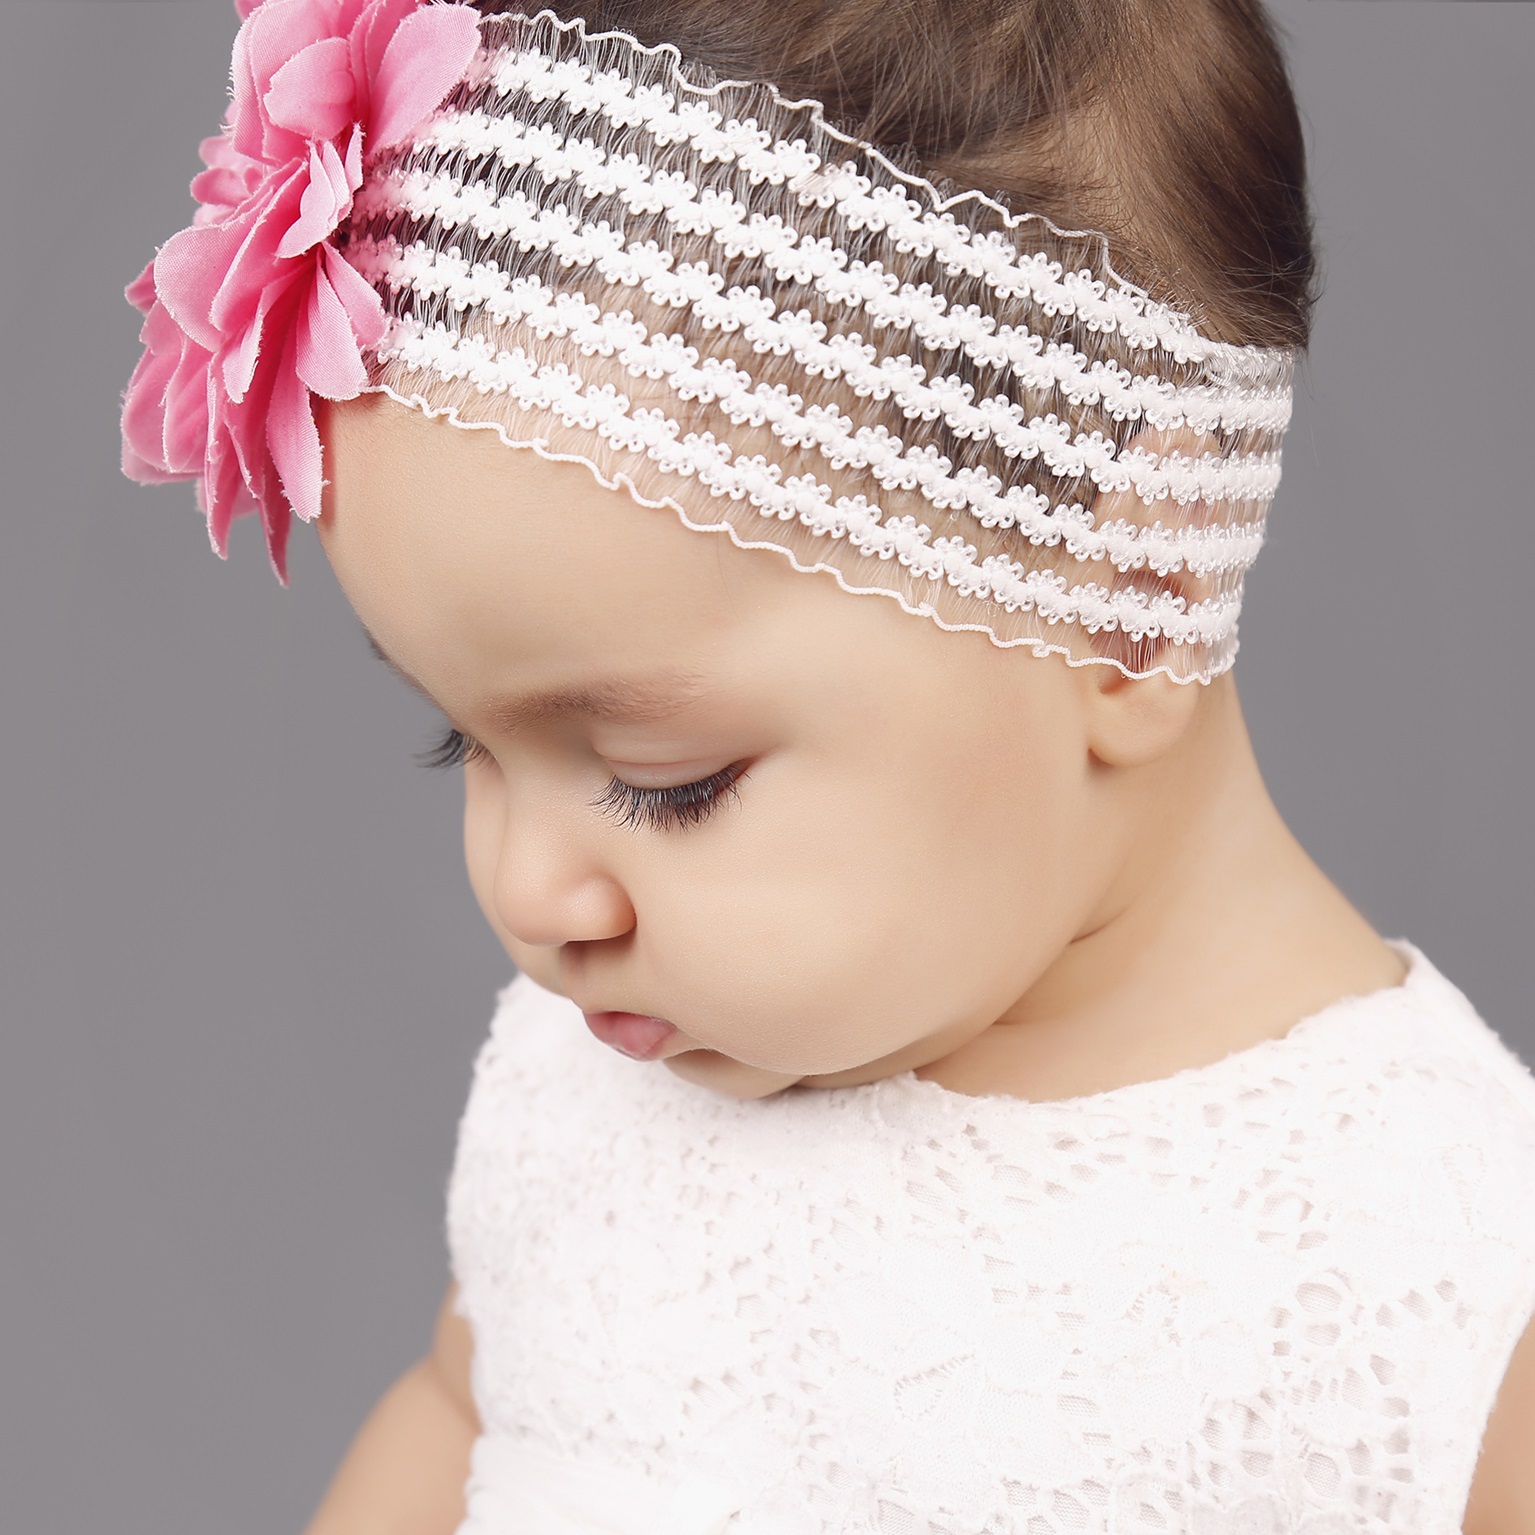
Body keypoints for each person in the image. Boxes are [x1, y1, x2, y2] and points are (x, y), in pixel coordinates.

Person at [120, 1, 1535, 1531]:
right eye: (465, 736)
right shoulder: (600, 1087)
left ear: (1133, 607)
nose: (529, 894)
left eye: (667, 780)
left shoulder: (1438, 1288)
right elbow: (466, 1406)